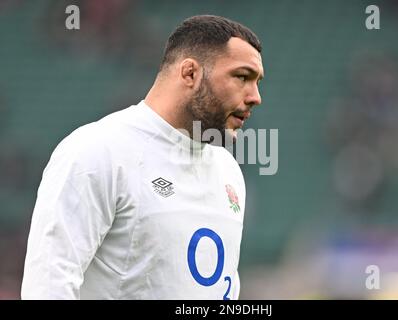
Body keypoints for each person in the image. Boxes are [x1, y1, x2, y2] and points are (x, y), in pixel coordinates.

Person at [21, 15, 264, 299]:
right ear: (190, 74)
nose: (255, 96)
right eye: (242, 77)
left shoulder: (227, 170)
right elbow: (49, 284)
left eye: (257, 81)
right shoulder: (97, 150)